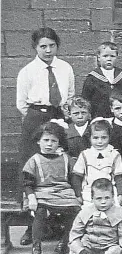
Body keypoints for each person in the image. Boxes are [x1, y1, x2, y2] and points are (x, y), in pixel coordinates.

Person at [17, 27, 75, 183]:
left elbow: (70, 94)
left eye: (52, 45)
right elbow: (21, 103)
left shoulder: (65, 68)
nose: (48, 50)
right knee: (31, 155)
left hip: (58, 115)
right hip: (36, 116)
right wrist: (37, 115)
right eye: (43, 46)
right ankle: (28, 195)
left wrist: (62, 114)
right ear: (35, 47)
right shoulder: (27, 71)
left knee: (59, 153)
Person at [23, 122, 81, 254]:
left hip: (64, 192)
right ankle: (36, 247)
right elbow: (27, 183)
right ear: (38, 141)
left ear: (59, 143)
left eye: (53, 141)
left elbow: (74, 179)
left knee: (75, 210)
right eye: (46, 140)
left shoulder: (66, 159)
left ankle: (65, 240)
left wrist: (78, 195)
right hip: (41, 192)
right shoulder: (34, 160)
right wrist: (31, 197)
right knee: (40, 211)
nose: (49, 144)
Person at [68, 178, 122, 254]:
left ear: (113, 197)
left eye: (107, 198)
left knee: (116, 251)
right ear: (92, 198)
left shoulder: (120, 214)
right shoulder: (85, 212)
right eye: (99, 198)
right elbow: (75, 232)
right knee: (74, 245)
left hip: (108, 246)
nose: (103, 202)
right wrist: (76, 244)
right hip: (89, 245)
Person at [72, 118, 122, 206]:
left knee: (115, 212)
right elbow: (77, 176)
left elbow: (119, 176)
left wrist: (120, 194)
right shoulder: (85, 154)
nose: (100, 141)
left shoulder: (114, 154)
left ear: (109, 137)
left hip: (109, 191)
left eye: (104, 137)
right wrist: (78, 195)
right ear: (90, 138)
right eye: (95, 138)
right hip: (89, 191)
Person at [81, 41, 122, 118]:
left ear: (117, 57)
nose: (109, 59)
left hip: (119, 114)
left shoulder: (121, 75)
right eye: (105, 56)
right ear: (99, 57)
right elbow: (86, 98)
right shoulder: (92, 77)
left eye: (112, 56)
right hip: (99, 114)